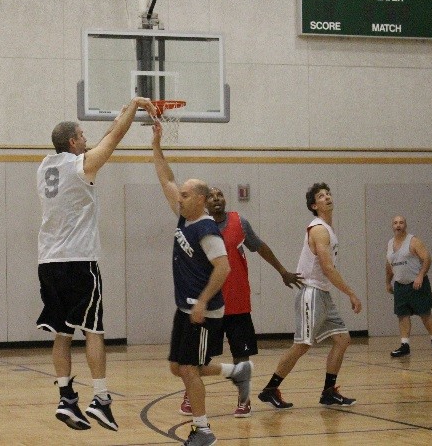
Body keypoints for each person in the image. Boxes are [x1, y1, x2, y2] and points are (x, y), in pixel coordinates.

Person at [36, 97, 156, 431]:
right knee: (93, 330)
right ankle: (101, 399)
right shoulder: (81, 167)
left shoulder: (45, 166)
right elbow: (112, 141)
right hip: (78, 261)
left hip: (48, 262)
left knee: (62, 332)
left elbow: (102, 141)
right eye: (82, 135)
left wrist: (122, 113)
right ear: (72, 142)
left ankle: (66, 398)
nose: (86, 139)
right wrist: (135, 105)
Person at [151, 122, 252, 446]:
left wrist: (203, 301)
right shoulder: (185, 216)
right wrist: (156, 145)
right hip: (187, 308)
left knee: (190, 370)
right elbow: (166, 179)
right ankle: (236, 372)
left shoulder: (207, 230)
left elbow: (223, 268)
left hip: (203, 312)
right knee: (177, 367)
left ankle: (203, 430)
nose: (179, 197)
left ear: (201, 199)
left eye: (185, 194)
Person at [178, 187, 302, 418]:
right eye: (212, 196)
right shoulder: (198, 227)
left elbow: (260, 247)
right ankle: (190, 396)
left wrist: (282, 271)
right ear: (204, 202)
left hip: (238, 302)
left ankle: (244, 401)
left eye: (220, 195)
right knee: (199, 357)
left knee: (241, 356)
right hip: (211, 305)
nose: (217, 199)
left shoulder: (239, 222)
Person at [258, 183, 362, 409]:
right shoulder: (319, 229)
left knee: (342, 339)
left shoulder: (327, 229)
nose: (327, 197)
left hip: (323, 293)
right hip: (311, 293)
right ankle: (270, 389)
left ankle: (328, 392)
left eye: (328, 194)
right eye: (321, 196)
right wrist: (351, 293)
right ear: (314, 206)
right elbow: (327, 268)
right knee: (302, 345)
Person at [385, 215, 432, 357]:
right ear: (392, 226)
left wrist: (420, 275)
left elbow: (427, 258)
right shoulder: (390, 243)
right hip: (400, 285)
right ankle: (405, 345)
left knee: (425, 314)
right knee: (402, 315)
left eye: (401, 222)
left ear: (405, 225)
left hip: (416, 284)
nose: (398, 225)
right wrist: (388, 282)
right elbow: (389, 264)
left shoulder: (413, 241)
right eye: (395, 223)